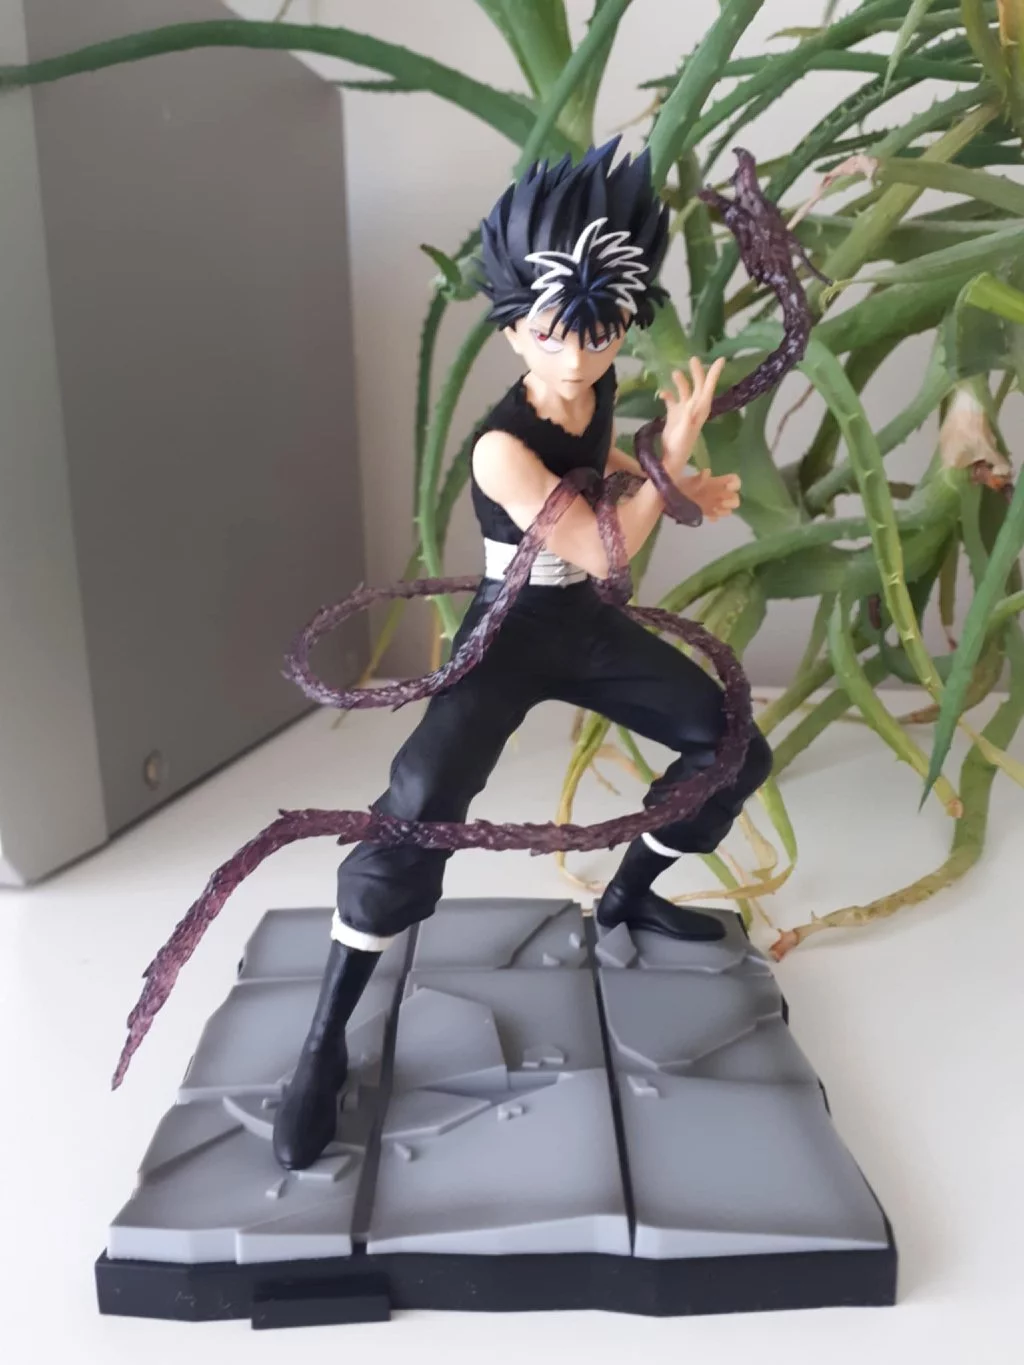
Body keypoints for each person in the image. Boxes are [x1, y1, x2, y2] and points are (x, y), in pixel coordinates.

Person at [272, 140, 773, 1171]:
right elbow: (605, 548)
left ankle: (628, 896)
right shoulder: (500, 446)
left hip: (580, 627)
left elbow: (604, 498)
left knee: (732, 745)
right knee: (417, 802)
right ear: (511, 327)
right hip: (507, 632)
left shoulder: (596, 382)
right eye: (552, 333)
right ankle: (322, 1042)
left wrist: (675, 484)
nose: (578, 357)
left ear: (622, 322)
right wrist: (672, 463)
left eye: (600, 332)